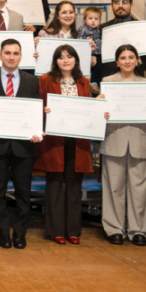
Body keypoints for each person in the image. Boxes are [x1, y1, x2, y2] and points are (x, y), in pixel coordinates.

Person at [0, 39, 42, 249]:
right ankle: (3, 232)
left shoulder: (33, 81)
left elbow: (36, 111)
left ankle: (20, 234)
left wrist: (37, 130)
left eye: (15, 53)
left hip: (24, 147)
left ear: (21, 56)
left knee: (23, 193)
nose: (11, 57)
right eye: (7, 53)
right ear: (0, 55)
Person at [35, 45, 94, 244]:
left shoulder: (84, 81)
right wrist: (44, 109)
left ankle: (73, 230)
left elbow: (89, 109)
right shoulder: (45, 80)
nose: (65, 60)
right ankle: (55, 230)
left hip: (78, 140)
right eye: (61, 57)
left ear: (76, 60)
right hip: (54, 140)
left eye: (69, 56)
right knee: (53, 186)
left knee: (74, 186)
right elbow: (37, 106)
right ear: (55, 61)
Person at [98, 44, 146, 246]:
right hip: (115, 138)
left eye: (131, 57)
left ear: (138, 60)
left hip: (139, 139)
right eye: (123, 57)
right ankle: (114, 229)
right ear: (117, 61)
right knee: (113, 187)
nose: (127, 61)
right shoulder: (107, 82)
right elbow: (101, 113)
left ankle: (139, 230)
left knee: (140, 189)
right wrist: (100, 105)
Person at [98, 0, 146, 79]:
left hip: (135, 79)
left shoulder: (142, 28)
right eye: (117, 2)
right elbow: (99, 61)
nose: (120, 6)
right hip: (110, 81)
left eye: (124, 2)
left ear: (131, 5)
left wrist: (141, 61)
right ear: (112, 6)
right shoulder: (102, 29)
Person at [77, 7, 103, 85]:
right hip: (89, 54)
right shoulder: (84, 30)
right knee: (91, 68)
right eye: (90, 18)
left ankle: (96, 82)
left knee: (99, 68)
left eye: (96, 19)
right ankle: (91, 82)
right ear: (85, 20)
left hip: (98, 53)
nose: (93, 21)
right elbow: (79, 41)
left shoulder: (98, 30)